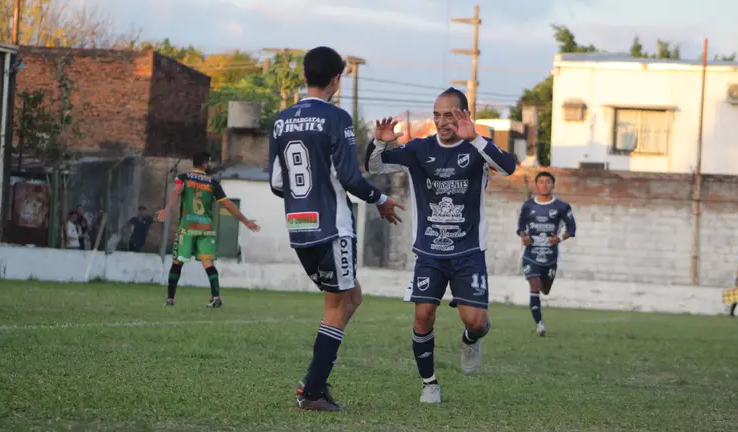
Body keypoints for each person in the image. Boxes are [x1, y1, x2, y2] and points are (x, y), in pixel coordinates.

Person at [269, 46, 404, 412]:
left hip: (299, 227)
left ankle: (316, 376)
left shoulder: (281, 120)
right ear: (336, 79)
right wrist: (381, 199)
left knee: (352, 297)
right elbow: (349, 177)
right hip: (332, 227)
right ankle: (312, 391)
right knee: (338, 304)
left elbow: (278, 182)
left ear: (304, 76)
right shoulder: (336, 117)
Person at [366, 87, 517, 404]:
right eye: (437, 115)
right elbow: (374, 166)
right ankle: (429, 384)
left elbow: (508, 167)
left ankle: (471, 339)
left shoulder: (476, 148)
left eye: (449, 115)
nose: (442, 121)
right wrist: (379, 141)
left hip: (469, 251)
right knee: (423, 315)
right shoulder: (418, 149)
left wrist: (475, 138)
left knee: (476, 321)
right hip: (429, 251)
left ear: (464, 115)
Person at [156, 151, 260, 308]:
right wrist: (245, 221)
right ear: (204, 164)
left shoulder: (183, 177)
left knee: (177, 262)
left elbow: (176, 191)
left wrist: (167, 209)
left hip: (187, 227)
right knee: (208, 264)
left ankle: (170, 299)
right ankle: (216, 297)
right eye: (209, 162)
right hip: (206, 229)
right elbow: (227, 204)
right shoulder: (212, 183)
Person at [516, 171, 576, 336]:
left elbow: (571, 228)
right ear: (536, 185)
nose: (544, 185)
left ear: (553, 185)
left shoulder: (562, 207)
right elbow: (520, 228)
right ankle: (540, 325)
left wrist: (559, 238)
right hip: (531, 254)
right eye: (541, 182)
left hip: (550, 255)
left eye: (548, 182)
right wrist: (524, 237)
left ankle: (544, 285)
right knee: (534, 286)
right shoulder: (528, 206)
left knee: (546, 290)